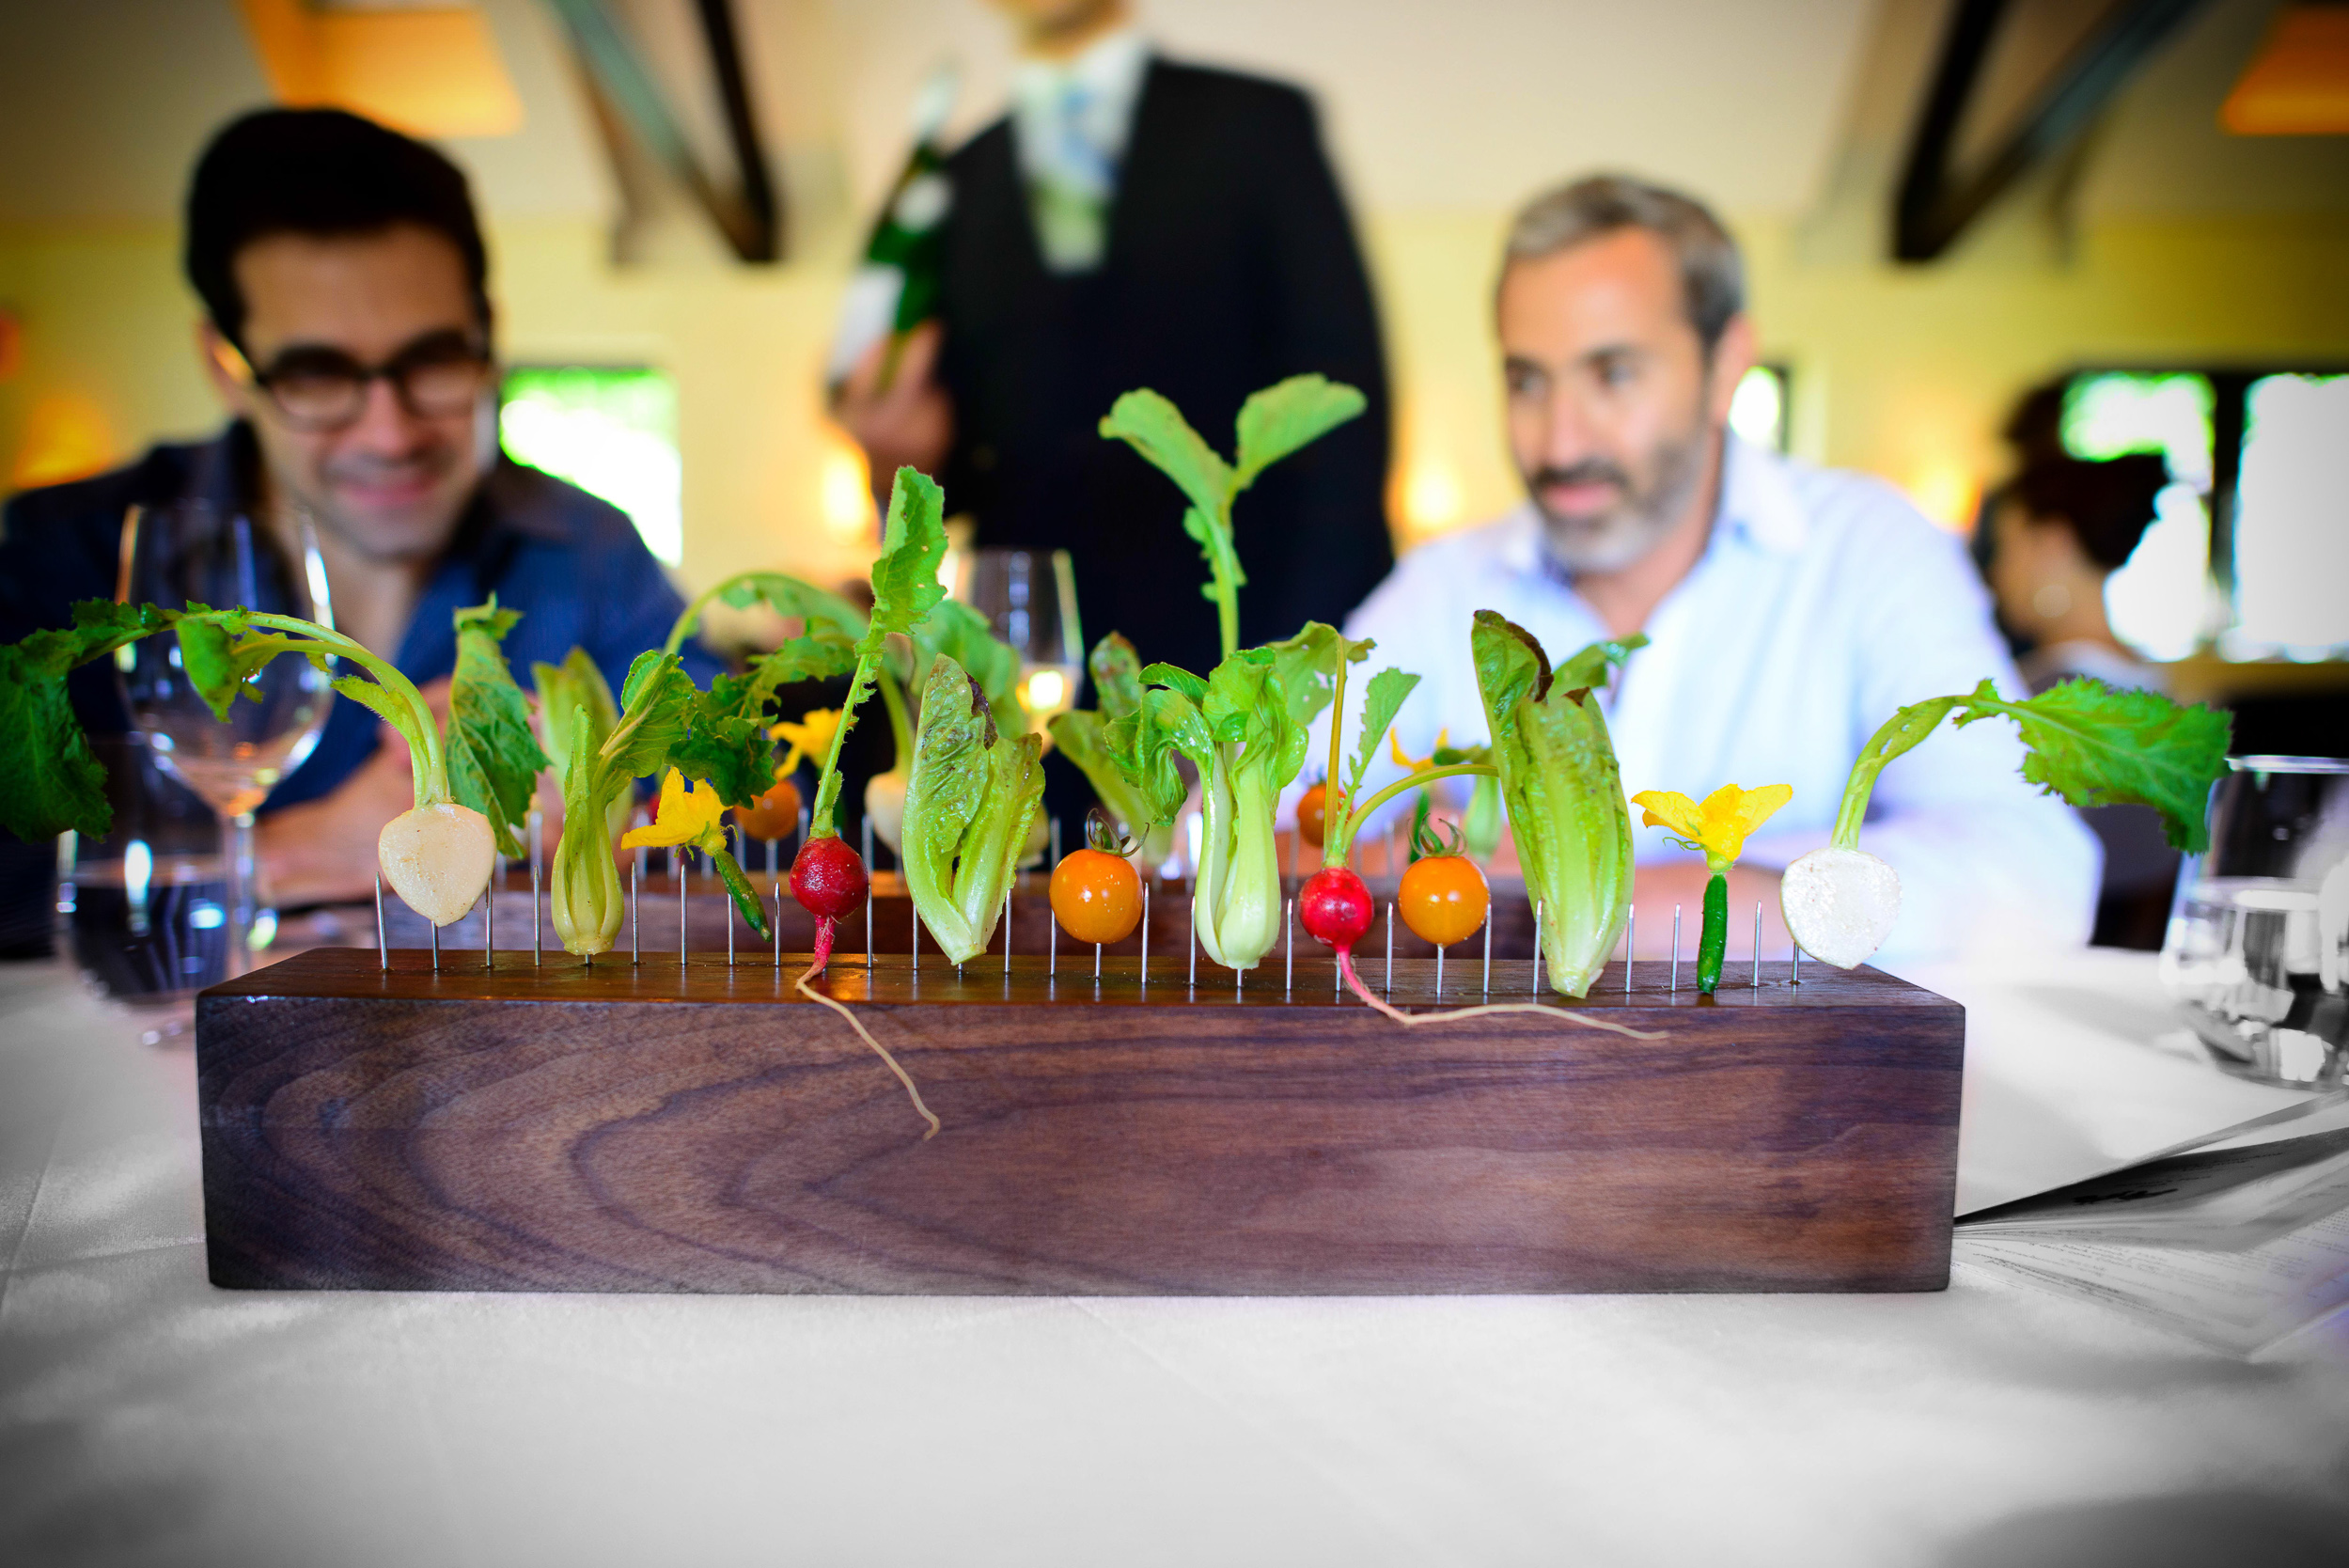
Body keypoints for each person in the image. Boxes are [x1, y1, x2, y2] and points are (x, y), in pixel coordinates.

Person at [1327, 175, 2098, 962]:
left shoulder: (1868, 550)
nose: (1559, 443)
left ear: (1727, 363)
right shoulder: (1445, 584)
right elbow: (1255, 827)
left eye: (1613, 374)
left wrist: (1629, 898)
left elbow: (2035, 872)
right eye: (1526, 380)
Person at [0, 108, 713, 932]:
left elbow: (767, 798)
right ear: (225, 367)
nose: (390, 433)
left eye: (433, 361)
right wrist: (307, 848)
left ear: (489, 336)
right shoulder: (70, 549)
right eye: (318, 375)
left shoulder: (590, 549)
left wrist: (605, 810)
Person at [832, 0, 1393, 684]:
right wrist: (894, 464)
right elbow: (961, 469)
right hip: (1035, 678)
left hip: (1241, 664)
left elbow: (1341, 409)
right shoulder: (958, 184)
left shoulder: (1258, 128)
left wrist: (1300, 666)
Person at [1985, 451, 2178, 947]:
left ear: (2050, 544)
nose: (1995, 577)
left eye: (2005, 548)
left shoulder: (2043, 701)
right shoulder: (2153, 683)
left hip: (2054, 952)